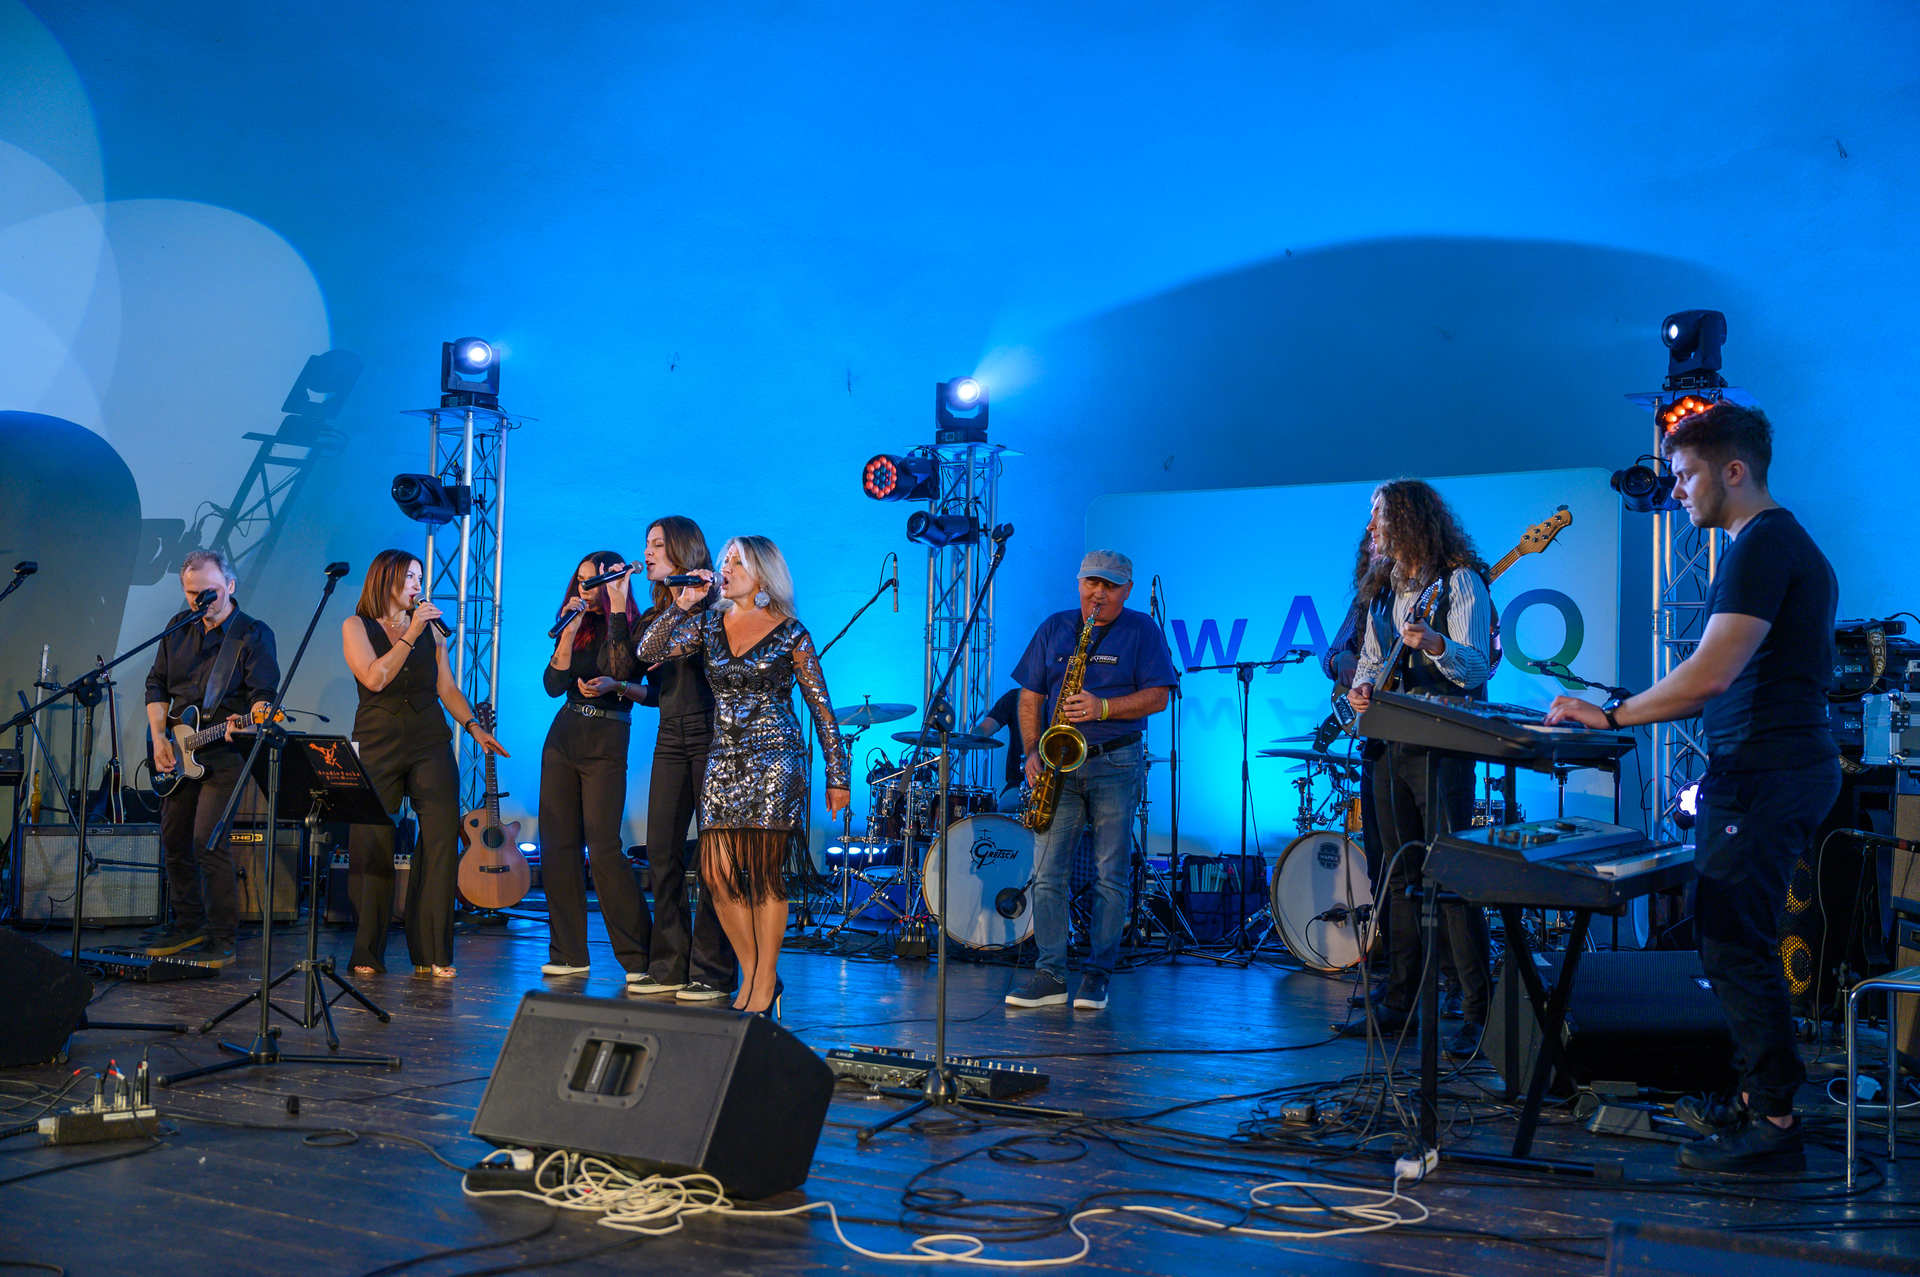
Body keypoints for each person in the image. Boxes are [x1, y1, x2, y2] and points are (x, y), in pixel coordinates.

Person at [1546, 401, 1837, 1174]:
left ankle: (1774, 1119)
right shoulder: (1772, 544)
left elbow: (1709, 674)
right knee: (1727, 933)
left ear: (1732, 471)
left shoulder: (1763, 545)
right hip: (1767, 769)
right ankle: (1755, 1097)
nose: (1675, 490)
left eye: (1684, 474)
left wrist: (1612, 715)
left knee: (1734, 941)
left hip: (1768, 772)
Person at [640, 535, 851, 1015]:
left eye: (737, 562)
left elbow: (821, 707)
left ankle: (762, 980)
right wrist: (683, 603)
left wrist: (838, 774)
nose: (726, 568)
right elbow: (649, 649)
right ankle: (756, 971)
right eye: (725, 560)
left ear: (763, 575)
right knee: (716, 874)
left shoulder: (790, 632)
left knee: (763, 876)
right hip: (723, 757)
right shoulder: (708, 625)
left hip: (776, 758)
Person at [1347, 480, 1494, 1058]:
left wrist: (1434, 644)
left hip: (1441, 749)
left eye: (1379, 516)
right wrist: (1361, 689)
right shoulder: (1383, 587)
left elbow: (1477, 668)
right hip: (1389, 745)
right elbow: (1371, 658)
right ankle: (1402, 1001)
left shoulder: (1461, 582)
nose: (1371, 527)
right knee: (1398, 875)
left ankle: (1477, 1012)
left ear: (1409, 520)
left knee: (1451, 876)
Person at [1004, 550, 1176, 1013]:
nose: (1098, 593)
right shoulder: (1055, 627)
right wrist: (1031, 750)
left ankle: (1098, 974)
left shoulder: (1142, 630)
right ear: (1079, 582)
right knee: (1046, 874)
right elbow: (1030, 695)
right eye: (1091, 583)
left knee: (1109, 875)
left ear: (1127, 590)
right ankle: (1051, 973)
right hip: (1057, 764)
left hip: (1115, 761)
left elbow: (1159, 696)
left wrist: (1103, 707)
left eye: (1110, 586)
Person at [340, 550, 506, 978]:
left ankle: (433, 952)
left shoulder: (432, 631)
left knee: (439, 842)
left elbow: (446, 687)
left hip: (429, 739)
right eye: (411, 577)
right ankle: (367, 952)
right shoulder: (356, 626)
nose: (418, 585)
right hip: (378, 742)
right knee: (373, 844)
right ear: (386, 579)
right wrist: (411, 632)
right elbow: (375, 677)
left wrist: (473, 727)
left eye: (419, 577)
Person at [616, 516, 737, 1002]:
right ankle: (668, 964)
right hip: (670, 735)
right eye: (646, 544)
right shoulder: (657, 616)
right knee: (662, 851)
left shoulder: (718, 606)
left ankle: (712, 970)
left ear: (683, 551)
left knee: (713, 857)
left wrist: (700, 598)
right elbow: (642, 665)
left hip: (714, 735)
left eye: (657, 545)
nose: (647, 553)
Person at [142, 549, 280, 968]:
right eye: (192, 593)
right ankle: (189, 924)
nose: (200, 601)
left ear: (230, 585)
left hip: (224, 752)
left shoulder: (251, 634)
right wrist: (158, 738)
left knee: (208, 840)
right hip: (177, 750)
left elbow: (263, 698)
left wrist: (255, 719)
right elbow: (156, 684)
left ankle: (223, 936)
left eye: (209, 592)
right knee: (174, 840)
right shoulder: (178, 628)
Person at [539, 551, 647, 979]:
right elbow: (552, 685)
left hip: (607, 735)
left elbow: (624, 669)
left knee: (603, 849)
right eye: (581, 580)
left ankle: (638, 957)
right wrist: (568, 632)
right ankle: (568, 953)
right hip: (565, 734)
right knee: (558, 848)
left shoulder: (634, 625)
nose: (586, 588)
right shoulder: (576, 623)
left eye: (594, 581)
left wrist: (614, 684)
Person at [970, 688, 1029, 814]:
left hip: (1060, 785)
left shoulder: (1064, 703)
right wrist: (966, 738)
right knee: (1007, 807)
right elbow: (985, 728)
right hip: (1020, 785)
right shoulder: (1015, 697)